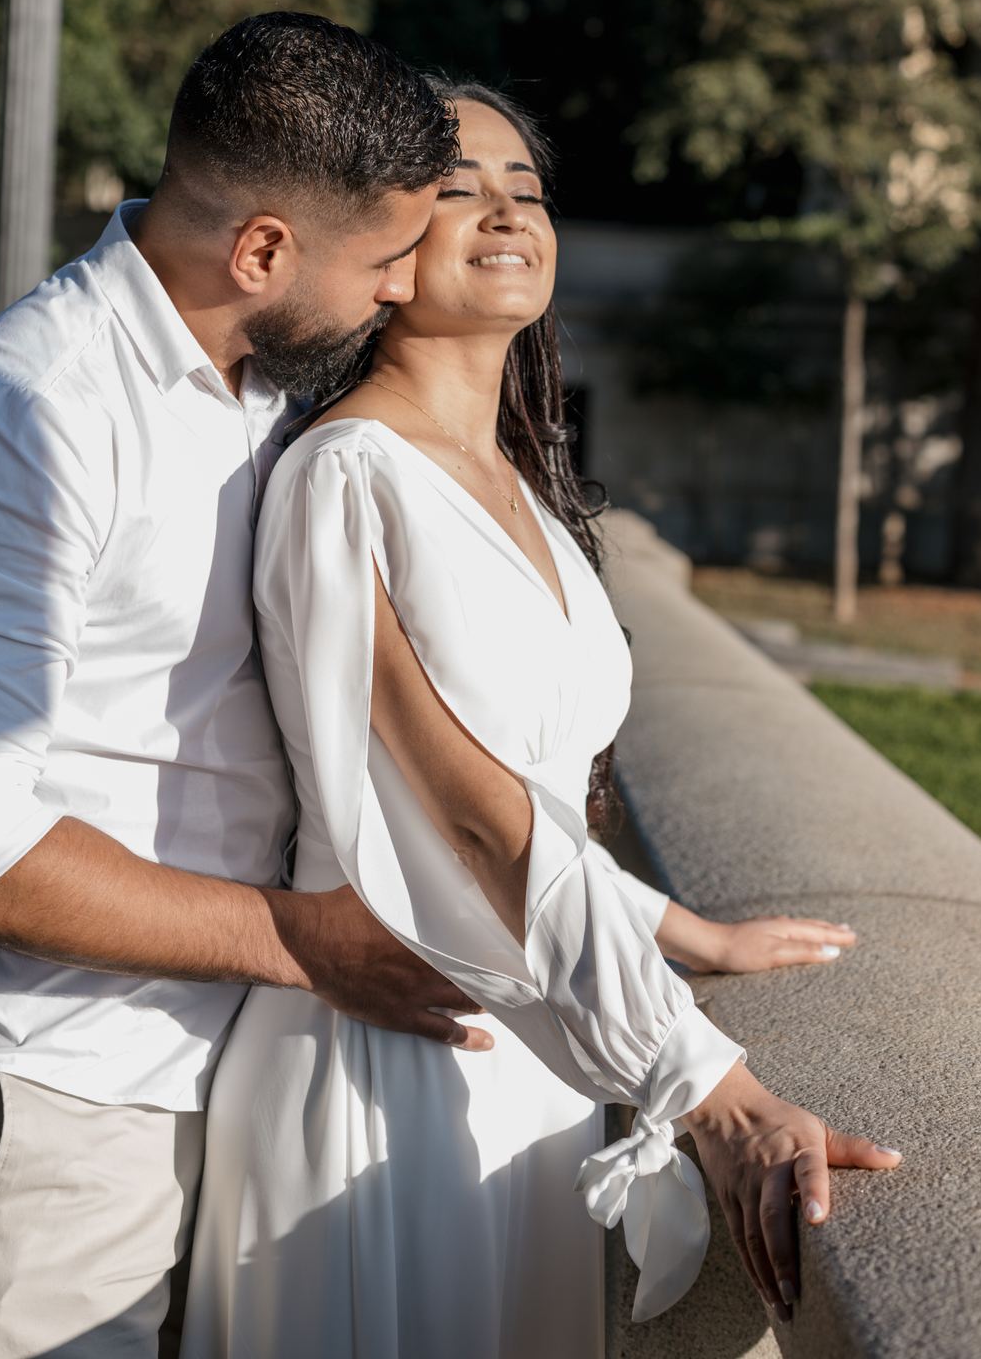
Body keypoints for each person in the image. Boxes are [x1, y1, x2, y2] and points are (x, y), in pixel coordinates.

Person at [180, 82, 901, 1359]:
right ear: (386, 252)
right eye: (458, 186)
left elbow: (543, 788)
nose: (505, 208)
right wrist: (714, 1093)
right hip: (385, 1058)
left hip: (535, 1064)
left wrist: (682, 928)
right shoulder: (345, 479)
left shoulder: (518, 483)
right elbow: (466, 812)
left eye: (527, 186)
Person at [0, 14, 499, 1358]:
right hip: (59, 1084)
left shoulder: (270, 388)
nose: (402, 289)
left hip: (233, 1068)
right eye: (386, 258)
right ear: (261, 249)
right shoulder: (24, 414)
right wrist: (300, 942)